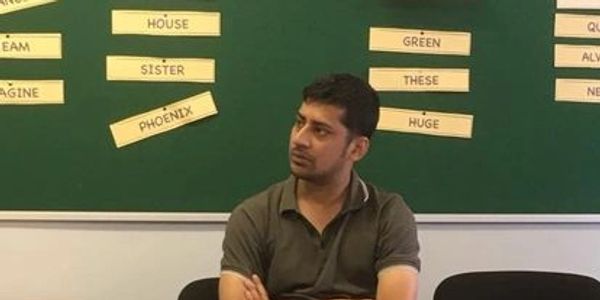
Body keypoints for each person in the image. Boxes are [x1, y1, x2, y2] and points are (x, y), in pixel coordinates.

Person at [219, 73, 420, 300]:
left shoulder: (388, 215)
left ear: (357, 149)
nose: (299, 140)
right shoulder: (253, 216)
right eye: (299, 122)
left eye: (320, 130)